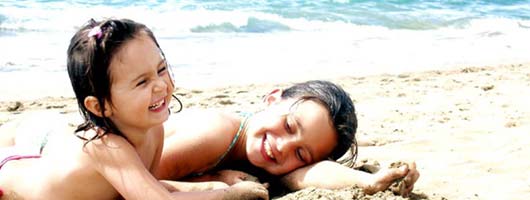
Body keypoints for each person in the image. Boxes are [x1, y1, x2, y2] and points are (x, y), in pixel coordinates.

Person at [0, 18, 268, 200]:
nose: (161, 85)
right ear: (100, 105)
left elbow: (144, 189)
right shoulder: (106, 146)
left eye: (161, 69)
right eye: (142, 82)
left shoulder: (155, 131)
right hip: (9, 176)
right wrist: (228, 194)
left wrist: (212, 185)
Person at [156, 80, 420, 197]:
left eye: (301, 154)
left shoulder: (267, 158)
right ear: (272, 99)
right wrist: (209, 183)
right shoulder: (214, 133)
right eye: (289, 125)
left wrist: (369, 181)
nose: (281, 147)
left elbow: (307, 174)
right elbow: (125, 184)